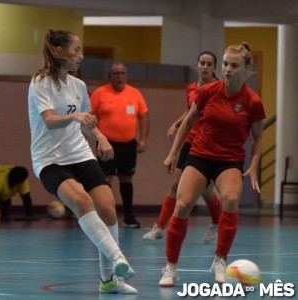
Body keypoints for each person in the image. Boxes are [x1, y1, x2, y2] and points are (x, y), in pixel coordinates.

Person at [28, 29, 137, 295]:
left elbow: (88, 121)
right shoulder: (40, 82)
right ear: (58, 51)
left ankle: (109, 281)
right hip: (50, 160)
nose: (81, 56)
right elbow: (50, 121)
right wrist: (74, 118)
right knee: (81, 201)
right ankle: (117, 257)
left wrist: (100, 137)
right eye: (76, 50)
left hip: (80, 154)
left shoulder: (78, 86)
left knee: (108, 209)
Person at [159, 42, 266, 286]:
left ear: (246, 70)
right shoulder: (208, 91)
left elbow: (258, 137)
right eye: (226, 64)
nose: (228, 69)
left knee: (230, 200)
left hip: (229, 161)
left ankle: (219, 260)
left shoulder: (253, 102)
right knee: (183, 204)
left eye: (234, 65)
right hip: (200, 155)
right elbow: (188, 121)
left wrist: (255, 163)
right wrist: (173, 153)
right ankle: (171, 267)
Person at [142, 51, 221, 242]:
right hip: (189, 141)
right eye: (201, 62)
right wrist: (178, 123)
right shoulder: (191, 88)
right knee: (176, 185)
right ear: (197, 65)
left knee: (206, 190)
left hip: (208, 145)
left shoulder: (218, 89)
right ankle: (160, 227)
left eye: (208, 64)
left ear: (214, 68)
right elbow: (190, 111)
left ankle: (217, 225)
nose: (204, 66)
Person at [90, 61, 149, 228]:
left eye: (122, 73)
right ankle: (104, 217)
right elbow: (89, 118)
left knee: (126, 179)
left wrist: (143, 139)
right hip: (106, 144)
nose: (120, 76)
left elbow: (144, 116)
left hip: (128, 145)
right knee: (105, 179)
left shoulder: (135, 93)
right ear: (109, 76)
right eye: (116, 73)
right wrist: (99, 138)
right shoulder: (99, 93)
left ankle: (129, 216)